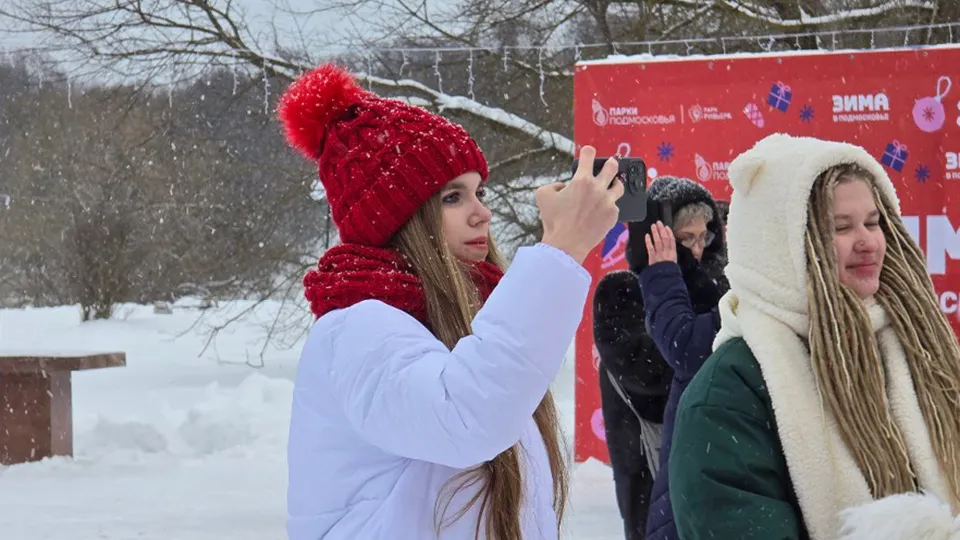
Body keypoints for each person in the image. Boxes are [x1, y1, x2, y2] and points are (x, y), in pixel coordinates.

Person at [278, 63, 624, 540]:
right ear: (397, 217)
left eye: (479, 192)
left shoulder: (473, 320)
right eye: (452, 198)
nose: (483, 213)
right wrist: (561, 248)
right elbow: (466, 418)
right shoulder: (358, 328)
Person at [669, 133, 960, 540]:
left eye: (873, 222)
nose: (867, 242)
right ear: (781, 246)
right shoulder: (726, 395)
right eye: (841, 227)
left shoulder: (921, 350)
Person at [592, 177, 728, 540]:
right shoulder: (621, 291)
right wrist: (679, 282)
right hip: (649, 465)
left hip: (712, 459)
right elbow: (652, 379)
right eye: (686, 239)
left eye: (704, 238)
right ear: (655, 238)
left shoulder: (719, 287)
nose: (697, 250)